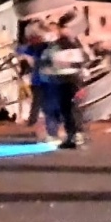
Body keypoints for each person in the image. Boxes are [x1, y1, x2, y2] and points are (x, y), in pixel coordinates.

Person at [41, 12, 91, 149]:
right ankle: (75, 135)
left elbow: (51, 63)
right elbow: (83, 60)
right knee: (72, 109)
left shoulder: (58, 45)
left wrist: (48, 70)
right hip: (73, 81)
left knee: (69, 110)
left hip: (65, 81)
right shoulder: (72, 43)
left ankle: (73, 137)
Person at [16, 22, 61, 142]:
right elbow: (20, 50)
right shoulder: (43, 46)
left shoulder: (40, 47)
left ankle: (49, 131)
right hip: (46, 81)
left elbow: (20, 50)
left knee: (46, 106)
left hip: (44, 81)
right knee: (46, 106)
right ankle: (51, 132)